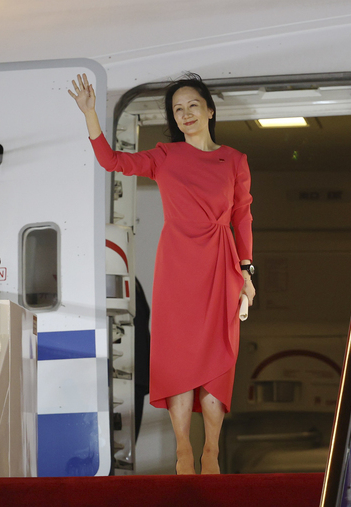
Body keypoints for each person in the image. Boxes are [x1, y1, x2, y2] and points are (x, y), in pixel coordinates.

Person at [69, 73, 255, 475]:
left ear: (210, 110)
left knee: (218, 358)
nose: (186, 114)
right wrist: (90, 114)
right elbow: (111, 161)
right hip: (177, 268)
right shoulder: (165, 156)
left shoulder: (234, 160)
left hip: (221, 265)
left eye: (193, 106)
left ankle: (211, 451)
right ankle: (184, 449)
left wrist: (247, 273)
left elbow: (242, 218)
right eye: (177, 109)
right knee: (178, 359)